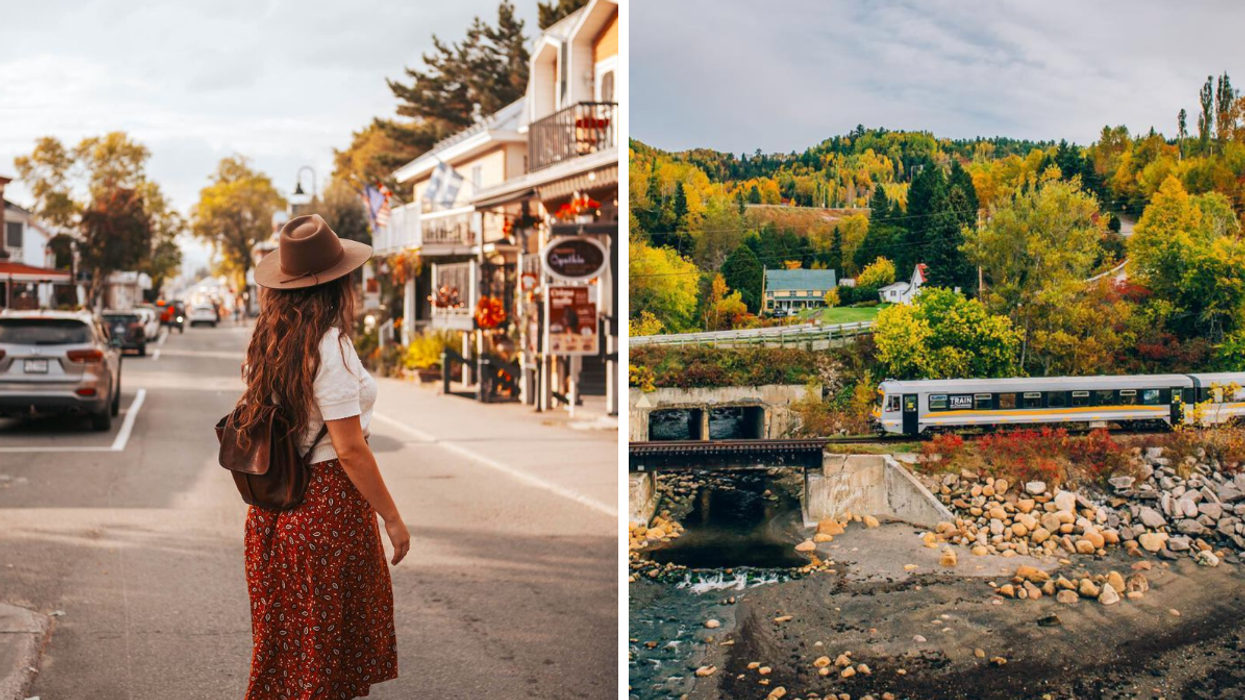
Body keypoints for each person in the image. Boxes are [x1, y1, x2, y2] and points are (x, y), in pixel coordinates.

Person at [235, 214, 409, 699]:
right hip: (327, 513)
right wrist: (391, 519)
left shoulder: (268, 341)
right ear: (338, 284)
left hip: (273, 518)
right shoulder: (328, 345)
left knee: (290, 661)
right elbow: (350, 449)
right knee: (326, 666)